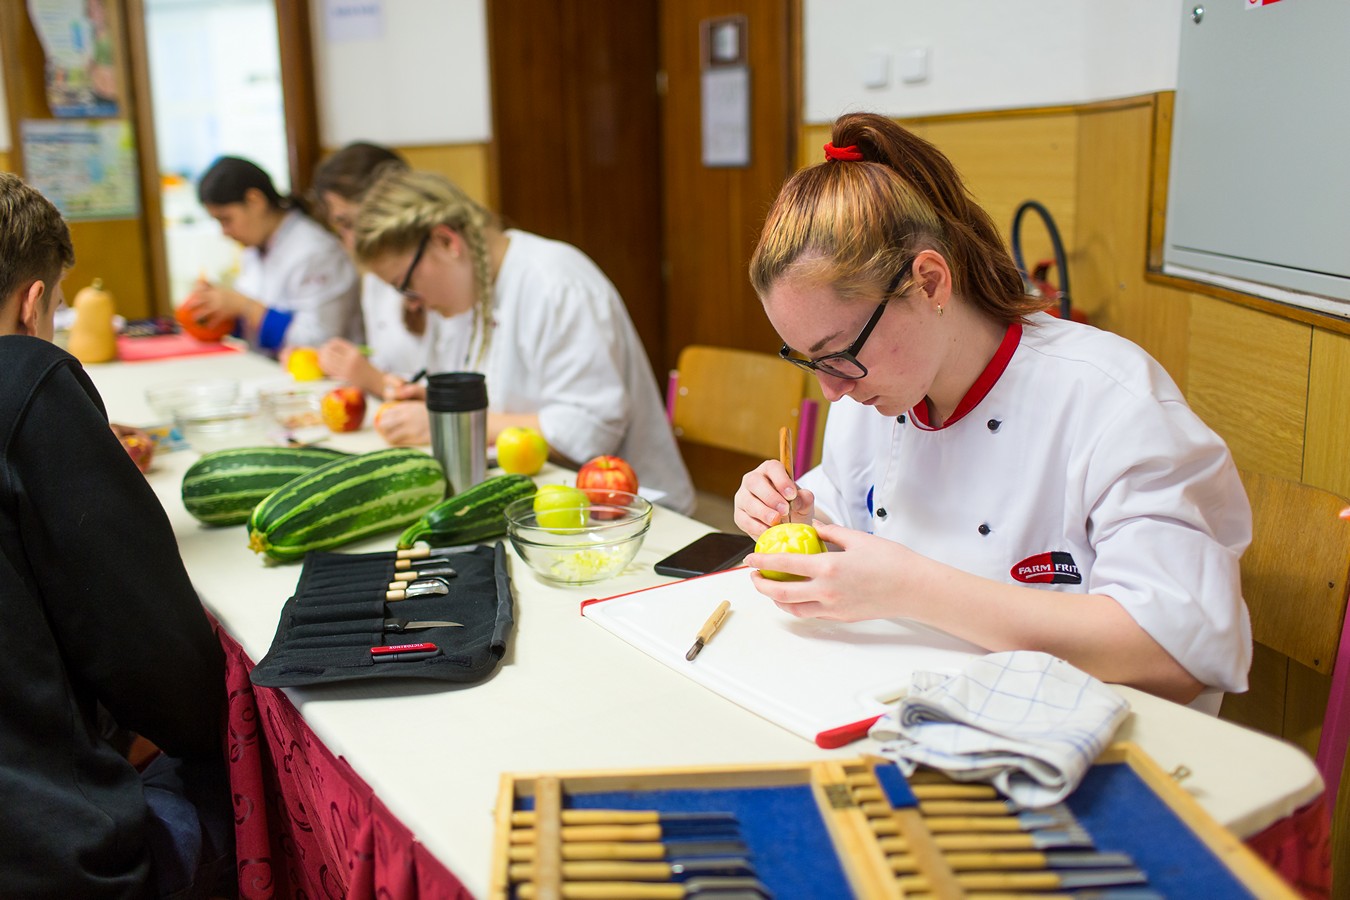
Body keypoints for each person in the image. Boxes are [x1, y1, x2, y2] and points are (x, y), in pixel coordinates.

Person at [733, 113, 1252, 710]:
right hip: (909, 708)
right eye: (809, 361)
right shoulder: (872, 394)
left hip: (1080, 742)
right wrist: (795, 515)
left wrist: (910, 587)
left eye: (840, 353)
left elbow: (1175, 655)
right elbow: (847, 522)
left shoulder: (1109, 397)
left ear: (929, 283)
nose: (831, 390)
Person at [0, 172, 233, 896]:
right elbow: (149, 647)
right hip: (49, 852)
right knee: (233, 766)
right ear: (33, 303)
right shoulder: (24, 376)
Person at [352, 168, 696, 514]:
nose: (412, 303)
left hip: (631, 515)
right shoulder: (466, 294)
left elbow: (588, 432)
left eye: (405, 285)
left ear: (445, 242)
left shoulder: (555, 282)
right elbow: (506, 395)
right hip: (544, 502)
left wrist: (462, 422)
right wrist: (439, 401)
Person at [191, 155, 362, 355]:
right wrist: (219, 307)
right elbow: (251, 329)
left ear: (255, 201)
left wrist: (245, 307)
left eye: (226, 219)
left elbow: (318, 342)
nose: (224, 232)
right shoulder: (254, 250)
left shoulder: (316, 251)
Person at [310, 142, 435, 396]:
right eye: (340, 228)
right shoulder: (374, 279)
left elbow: (454, 387)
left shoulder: (436, 272)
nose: (349, 242)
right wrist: (341, 363)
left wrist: (375, 380)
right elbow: (388, 362)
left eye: (349, 223)